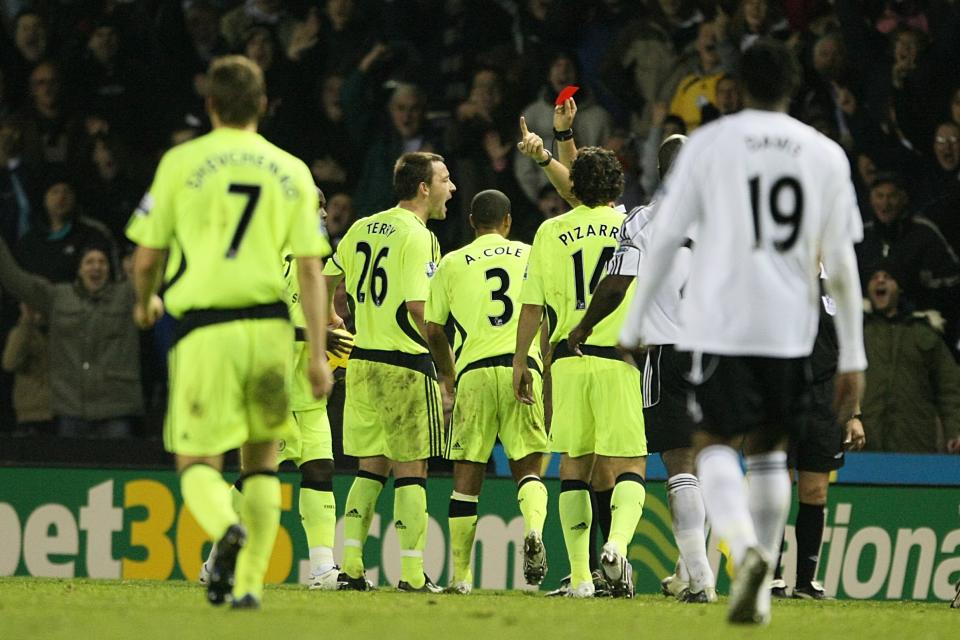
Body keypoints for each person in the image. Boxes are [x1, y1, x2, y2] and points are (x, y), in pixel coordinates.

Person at [619, 39, 866, 625]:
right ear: (793, 84)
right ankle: (762, 572)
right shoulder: (825, 154)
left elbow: (664, 234)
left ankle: (744, 551)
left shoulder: (709, 145)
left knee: (710, 448)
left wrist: (634, 323)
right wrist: (853, 354)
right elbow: (845, 264)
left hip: (723, 321)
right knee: (770, 454)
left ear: (740, 87)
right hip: (791, 328)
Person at [126, 55, 333, 610]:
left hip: (203, 330)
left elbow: (146, 258)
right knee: (262, 462)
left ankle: (224, 531)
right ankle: (246, 586)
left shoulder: (181, 162)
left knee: (197, 463)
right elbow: (312, 269)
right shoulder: (292, 170)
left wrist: (145, 305)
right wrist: (317, 354)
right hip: (270, 331)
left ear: (211, 105)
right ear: (263, 105)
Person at [566, 131, 716, 604]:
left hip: (668, 352)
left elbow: (615, 286)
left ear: (658, 171)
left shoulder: (645, 221)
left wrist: (583, 328)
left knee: (679, 465)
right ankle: (687, 572)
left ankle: (701, 578)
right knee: (706, 464)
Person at [515, 122, 647, 599]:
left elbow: (532, 305)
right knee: (629, 462)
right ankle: (615, 545)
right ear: (618, 186)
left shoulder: (550, 232)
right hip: (618, 358)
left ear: (573, 186)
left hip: (566, 360)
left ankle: (582, 578)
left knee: (575, 465)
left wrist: (520, 363)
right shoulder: (631, 226)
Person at [322, 151, 452, 593]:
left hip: (362, 364)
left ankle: (352, 567)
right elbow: (419, 309)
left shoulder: (361, 227)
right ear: (423, 188)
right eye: (444, 180)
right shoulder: (419, 237)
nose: (450, 188)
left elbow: (326, 276)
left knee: (369, 469)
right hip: (404, 365)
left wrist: (330, 320)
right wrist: (444, 363)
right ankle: (413, 574)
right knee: (411, 471)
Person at [423, 189, 550, 594]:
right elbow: (545, 315)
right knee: (529, 469)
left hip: (474, 372)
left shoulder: (452, 262)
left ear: (472, 223)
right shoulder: (532, 254)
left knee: (466, 478)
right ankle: (532, 530)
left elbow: (433, 328)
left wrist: (449, 373)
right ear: (508, 221)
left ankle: (461, 577)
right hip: (522, 368)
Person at [768, 270, 867, 601]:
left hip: (825, 406)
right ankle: (770, 575)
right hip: (779, 401)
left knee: (815, 492)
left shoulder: (839, 289)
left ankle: (805, 581)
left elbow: (850, 359)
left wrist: (853, 415)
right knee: (776, 489)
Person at [0, 242, 143, 437]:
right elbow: (15, 280)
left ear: (110, 270)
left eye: (102, 262)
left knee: (116, 467)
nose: (96, 267)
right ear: (79, 270)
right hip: (71, 411)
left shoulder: (126, 296)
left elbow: (152, 271)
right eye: (89, 262)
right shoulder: (58, 297)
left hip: (116, 410)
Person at [861, 266, 960, 453]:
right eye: (874, 277)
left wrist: (955, 431)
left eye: (888, 276)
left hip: (915, 445)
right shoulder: (856, 331)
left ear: (899, 287)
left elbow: (950, 388)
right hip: (863, 445)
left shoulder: (924, 333)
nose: (880, 281)